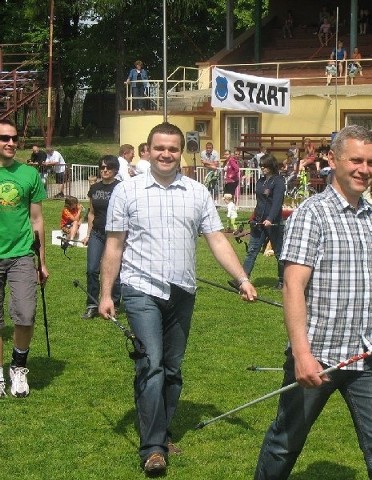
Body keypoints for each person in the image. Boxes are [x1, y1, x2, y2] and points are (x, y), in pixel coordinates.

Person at [254, 125, 372, 480]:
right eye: (356, 160)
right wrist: (302, 354)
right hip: (319, 355)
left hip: (368, 353)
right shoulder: (312, 213)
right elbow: (292, 287)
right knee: (286, 441)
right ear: (333, 160)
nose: (365, 169)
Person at [98, 122, 257, 476]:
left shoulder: (197, 192)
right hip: (141, 290)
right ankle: (153, 448)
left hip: (183, 291)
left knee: (172, 369)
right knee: (151, 364)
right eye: (159, 148)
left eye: (172, 148)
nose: (166, 154)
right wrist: (106, 294)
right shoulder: (128, 192)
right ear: (148, 150)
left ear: (180, 151)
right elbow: (114, 245)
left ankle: (162, 430)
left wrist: (242, 278)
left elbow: (216, 239)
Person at [0, 118, 48, 398]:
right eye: (4, 138)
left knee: (26, 316)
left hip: (21, 255)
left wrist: (41, 262)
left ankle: (18, 369)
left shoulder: (28, 175)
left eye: (14, 138)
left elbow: (38, 219)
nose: (11, 143)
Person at [81, 155, 121, 319]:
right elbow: (91, 213)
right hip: (97, 233)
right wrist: (88, 234)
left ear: (115, 170)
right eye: (102, 167)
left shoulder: (121, 188)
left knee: (115, 271)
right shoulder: (95, 188)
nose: (104, 170)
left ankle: (114, 302)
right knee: (91, 270)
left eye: (108, 167)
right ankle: (92, 304)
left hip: (115, 234)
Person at [241, 154, 286, 289]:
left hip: (273, 223)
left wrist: (270, 219)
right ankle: (242, 280)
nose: (262, 168)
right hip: (258, 222)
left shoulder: (278, 181)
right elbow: (259, 203)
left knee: (279, 253)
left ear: (271, 165)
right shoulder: (260, 181)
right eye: (261, 165)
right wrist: (253, 218)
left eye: (265, 165)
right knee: (252, 251)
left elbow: (277, 202)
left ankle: (282, 281)